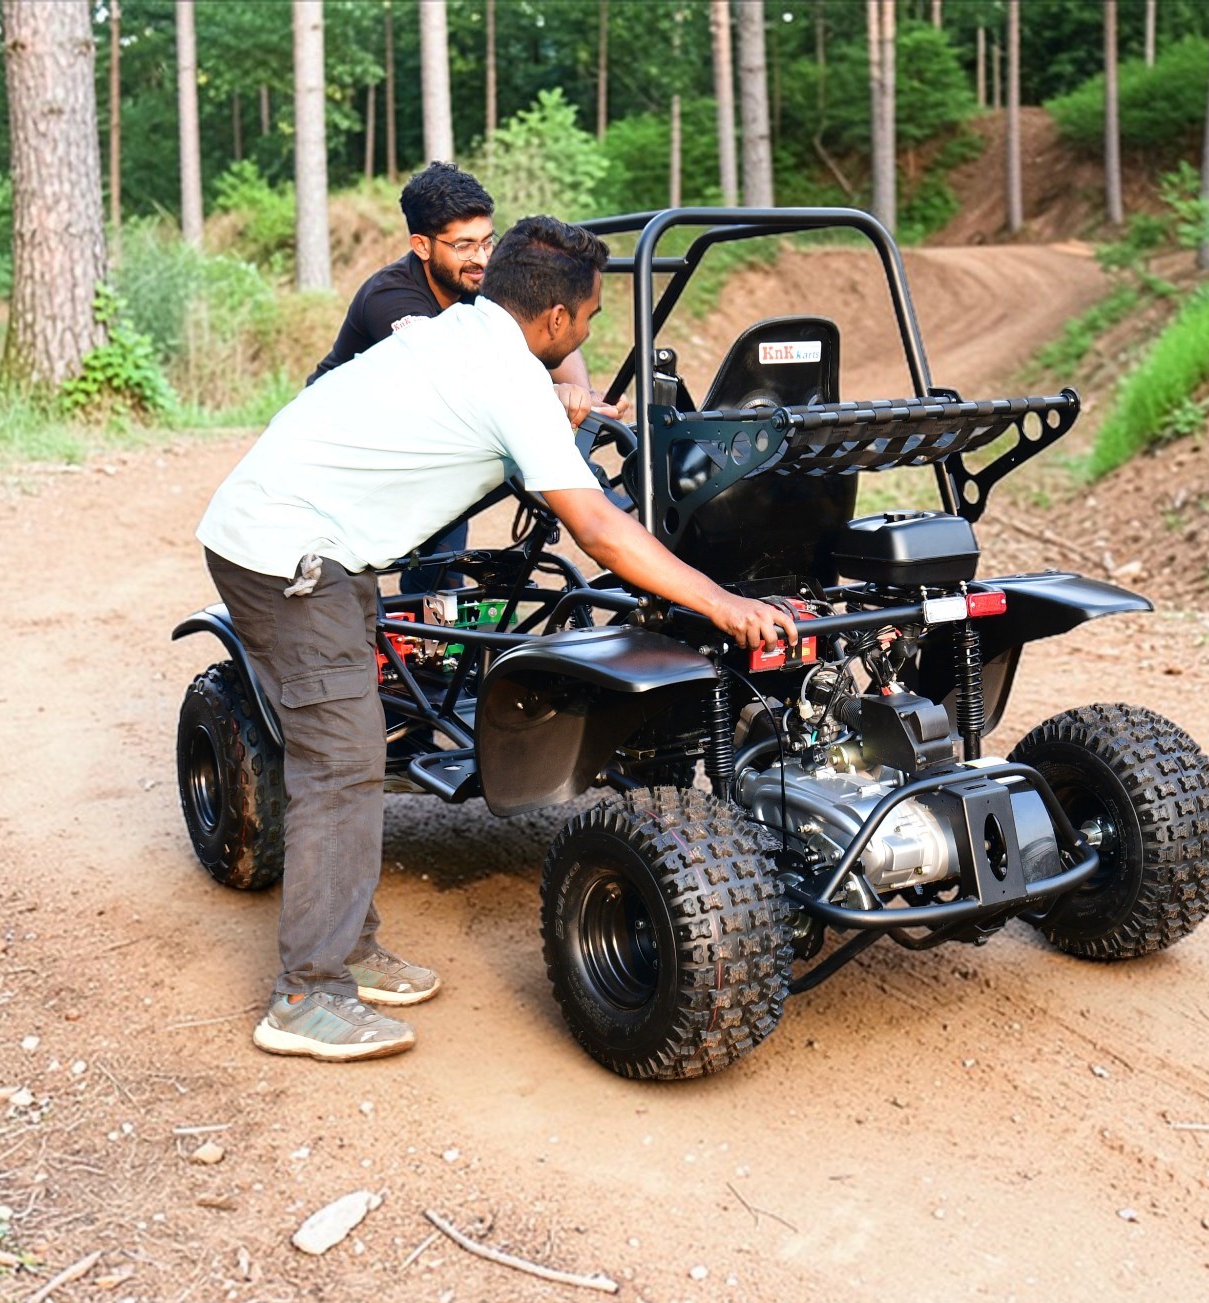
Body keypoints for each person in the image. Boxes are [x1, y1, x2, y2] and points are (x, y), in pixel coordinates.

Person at [196, 216, 797, 1063]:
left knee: (350, 744)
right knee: (342, 760)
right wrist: (721, 602)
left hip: (318, 538)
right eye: (589, 318)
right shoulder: (510, 380)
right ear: (554, 319)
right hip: (283, 553)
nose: (588, 333)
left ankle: (350, 946)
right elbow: (601, 532)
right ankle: (306, 994)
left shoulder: (466, 332)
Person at [310, 162, 608, 593]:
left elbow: (549, 324)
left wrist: (582, 395)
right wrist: (549, 396)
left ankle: (435, 613)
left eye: (488, 241)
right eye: (465, 245)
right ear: (422, 245)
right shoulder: (391, 297)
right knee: (357, 581)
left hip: (423, 435)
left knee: (441, 569)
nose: (482, 258)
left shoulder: (482, 279)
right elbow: (457, 377)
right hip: (348, 446)